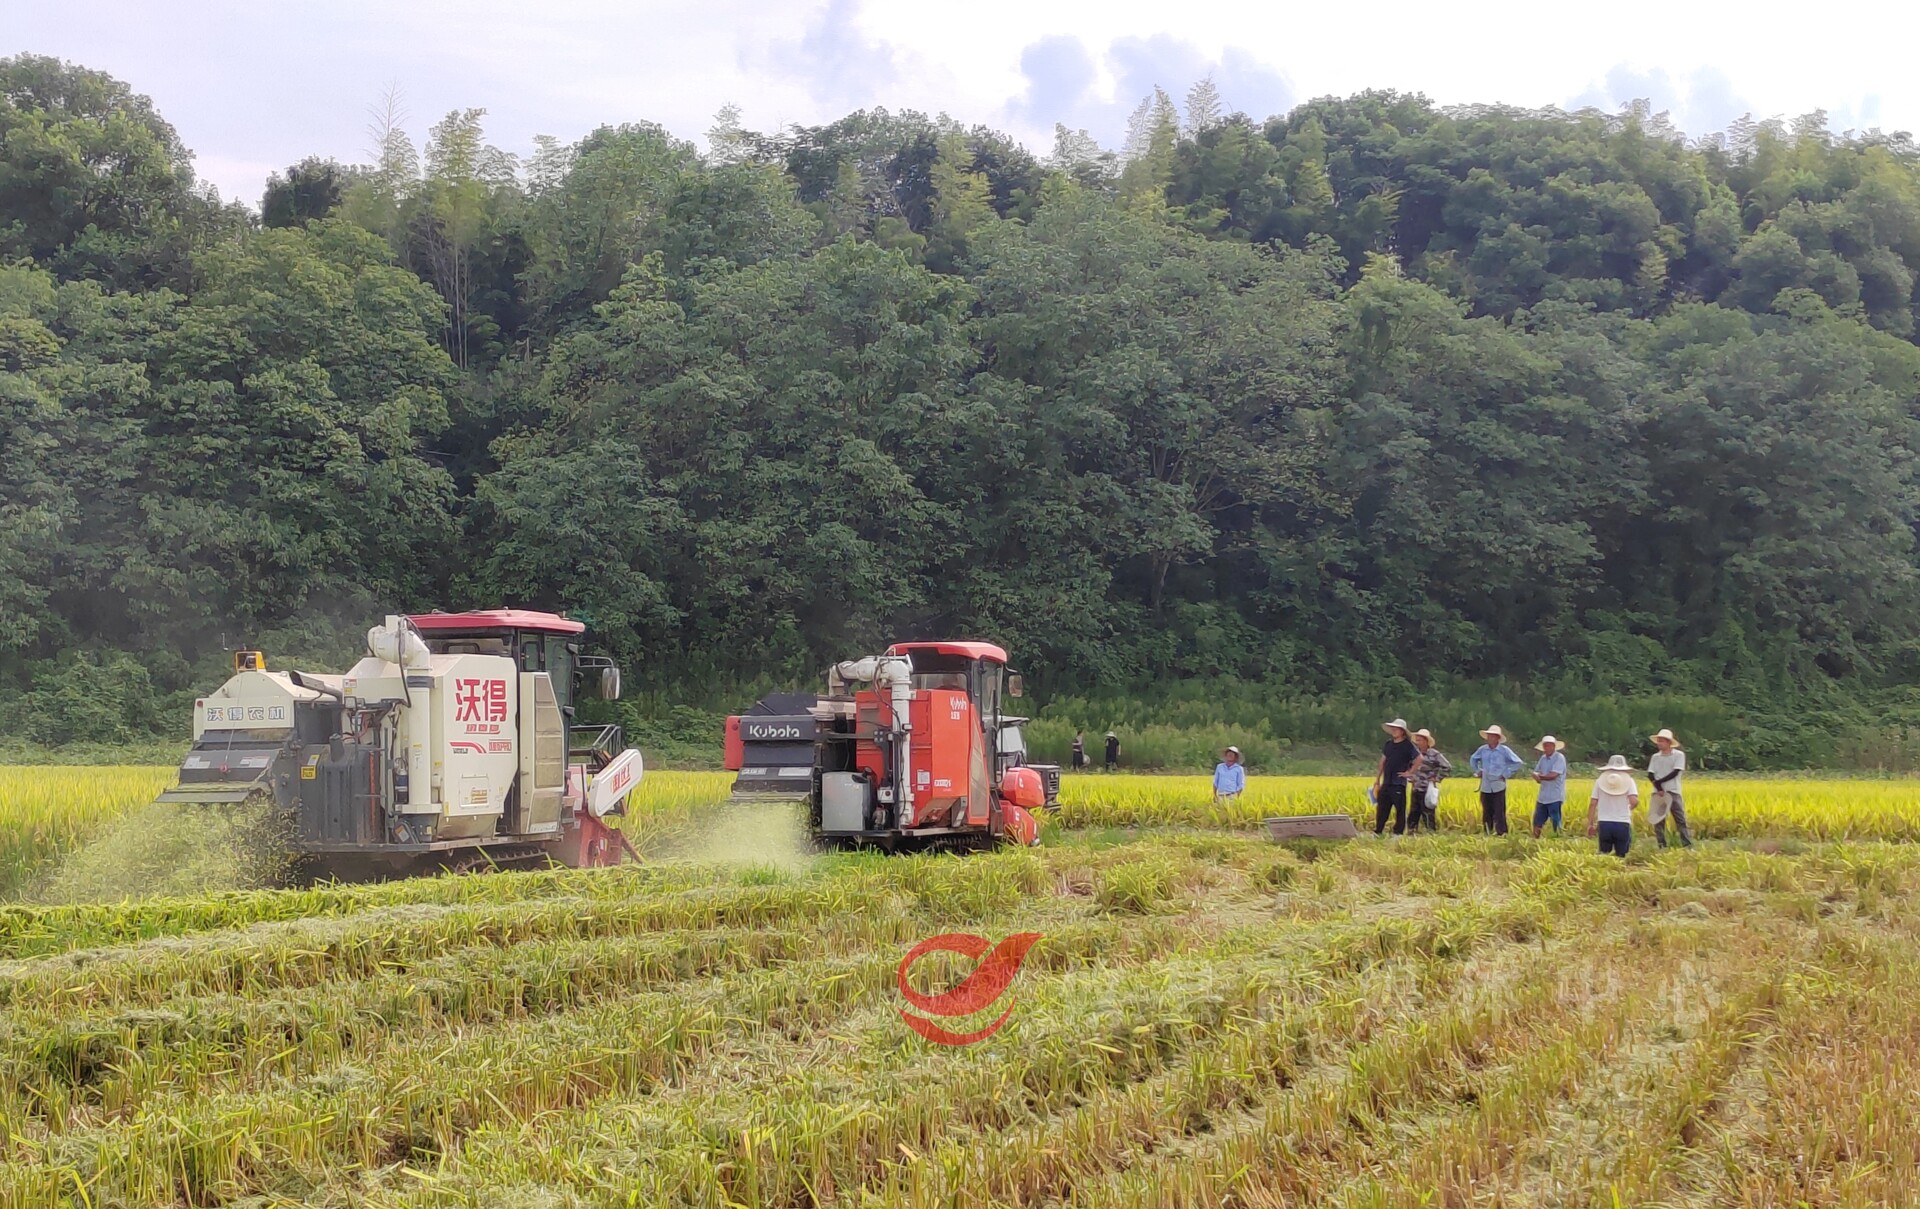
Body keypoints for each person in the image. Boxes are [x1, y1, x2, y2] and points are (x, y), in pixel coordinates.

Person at [1469, 725, 1525, 836]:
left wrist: (1506, 773)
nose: (1490, 738)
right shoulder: (1482, 750)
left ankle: (1502, 833)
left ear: (1498, 738)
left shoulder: (1504, 750)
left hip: (1498, 784)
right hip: (1486, 784)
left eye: (1493, 736)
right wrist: (1477, 770)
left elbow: (1518, 762)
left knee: (1499, 811)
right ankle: (1487, 832)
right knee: (1486, 810)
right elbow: (1473, 759)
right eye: (1489, 736)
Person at [1646, 729, 1693, 849]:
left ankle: (1687, 845)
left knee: (1680, 819)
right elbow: (1650, 774)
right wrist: (1658, 788)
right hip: (1658, 793)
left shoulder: (1678, 755)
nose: (1659, 743)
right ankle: (1662, 845)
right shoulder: (1655, 757)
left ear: (1668, 742)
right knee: (1658, 820)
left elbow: (1675, 772)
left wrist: (1659, 783)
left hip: (1673, 791)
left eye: (1661, 741)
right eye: (1658, 741)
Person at [1587, 755, 1640, 857]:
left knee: (1604, 855)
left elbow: (1593, 803)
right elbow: (1634, 801)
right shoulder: (1629, 780)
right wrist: (1629, 808)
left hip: (1604, 823)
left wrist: (1590, 824)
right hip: (1622, 823)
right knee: (1621, 856)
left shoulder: (1600, 781)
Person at [1373, 718, 1419, 836]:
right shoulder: (1388, 744)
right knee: (1382, 808)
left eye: (1396, 729)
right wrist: (1377, 779)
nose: (1394, 731)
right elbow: (1383, 761)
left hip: (1398, 782)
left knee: (1399, 809)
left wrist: (1410, 772)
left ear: (1402, 731)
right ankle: (1378, 831)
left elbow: (1419, 758)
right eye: (1393, 728)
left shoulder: (1408, 745)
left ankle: (1398, 833)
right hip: (1387, 781)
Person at [1408, 729, 1451, 831]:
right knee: (1413, 812)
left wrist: (1436, 778)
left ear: (1426, 741)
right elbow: (1408, 766)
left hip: (1428, 789)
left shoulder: (1434, 754)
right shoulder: (1414, 754)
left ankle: (1431, 833)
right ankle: (1411, 833)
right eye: (1417, 740)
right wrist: (1410, 776)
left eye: (1420, 740)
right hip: (1416, 787)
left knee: (1428, 813)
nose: (1418, 743)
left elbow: (1447, 767)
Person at [1531, 735, 1569, 837]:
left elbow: (1553, 775)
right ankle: (1535, 840)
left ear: (1554, 746)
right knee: (1537, 821)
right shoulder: (1543, 758)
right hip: (1543, 796)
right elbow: (1536, 771)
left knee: (1555, 821)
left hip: (1555, 796)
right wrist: (1535, 775)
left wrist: (1539, 777)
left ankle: (1558, 840)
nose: (1547, 748)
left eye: (1549, 746)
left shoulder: (1559, 758)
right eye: (1545, 746)